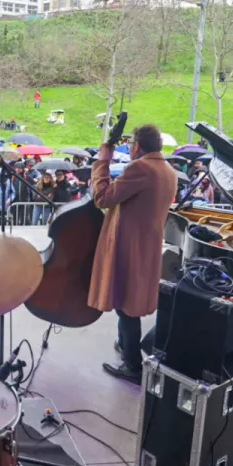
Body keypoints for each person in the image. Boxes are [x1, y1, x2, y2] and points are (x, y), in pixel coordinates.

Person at [91, 125, 178, 385]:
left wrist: (102, 162)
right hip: (146, 246)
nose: (128, 149)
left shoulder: (140, 168)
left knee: (127, 306)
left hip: (129, 247)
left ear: (137, 146)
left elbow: (102, 197)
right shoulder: (168, 170)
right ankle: (124, 344)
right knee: (128, 300)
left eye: (130, 145)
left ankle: (132, 365)